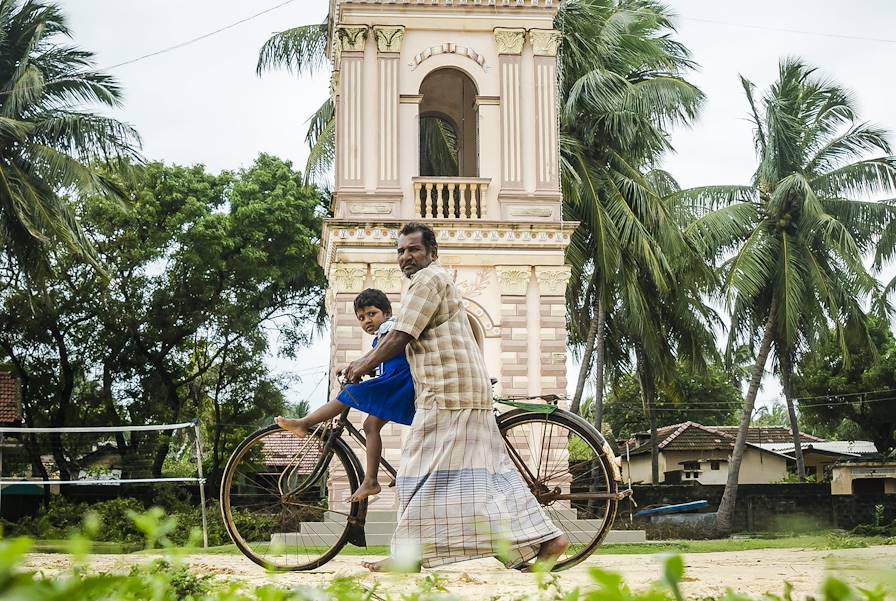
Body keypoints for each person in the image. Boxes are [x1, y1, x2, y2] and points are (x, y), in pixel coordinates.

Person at [340, 222, 569, 572]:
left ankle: (408, 558)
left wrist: (363, 363)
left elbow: (402, 334)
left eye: (413, 249)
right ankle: (540, 543)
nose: (406, 257)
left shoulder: (428, 280)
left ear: (432, 252)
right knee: (481, 478)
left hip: (448, 395)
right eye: (401, 251)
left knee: (414, 473)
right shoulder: (431, 281)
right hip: (458, 392)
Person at [276, 288, 414, 502]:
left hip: (398, 385)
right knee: (370, 426)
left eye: (372, 314)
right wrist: (357, 366)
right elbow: (376, 357)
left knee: (349, 392)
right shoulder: (382, 334)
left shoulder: (391, 328)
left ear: (386, 312)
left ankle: (304, 422)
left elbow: (380, 354)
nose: (366, 320)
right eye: (361, 318)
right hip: (395, 385)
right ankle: (371, 481)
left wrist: (359, 365)